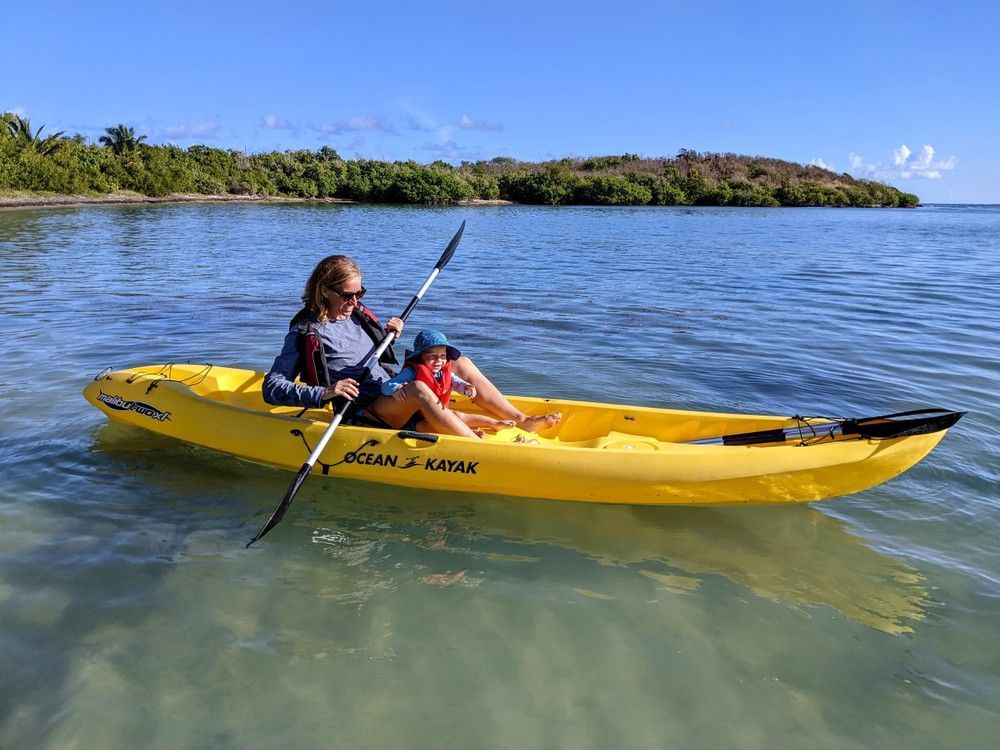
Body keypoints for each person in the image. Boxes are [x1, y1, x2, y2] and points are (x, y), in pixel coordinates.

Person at [262, 254, 561, 439]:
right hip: (365, 411)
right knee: (418, 389)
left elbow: (377, 357)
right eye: (347, 295)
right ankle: (475, 445)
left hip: (390, 389)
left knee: (460, 363)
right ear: (324, 290)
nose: (355, 302)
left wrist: (389, 334)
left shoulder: (358, 314)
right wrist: (326, 392)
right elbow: (271, 387)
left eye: (360, 293)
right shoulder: (305, 330)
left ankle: (523, 420)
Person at [382, 329, 518, 435]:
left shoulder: (443, 373)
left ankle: (494, 423)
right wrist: (397, 388)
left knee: (459, 415)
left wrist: (466, 387)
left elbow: (456, 382)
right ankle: (468, 433)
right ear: (420, 357)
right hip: (415, 421)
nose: (439, 361)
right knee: (436, 425)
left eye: (443, 356)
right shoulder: (411, 372)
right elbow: (386, 387)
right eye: (432, 357)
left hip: (436, 414)